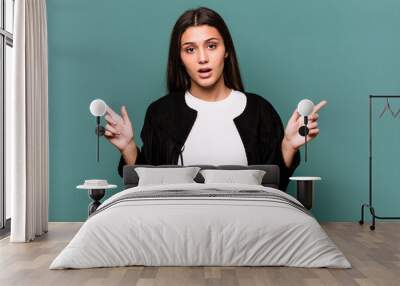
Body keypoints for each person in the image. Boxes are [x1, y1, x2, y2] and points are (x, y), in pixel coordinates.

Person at [104, 7, 327, 191]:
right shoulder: (161, 113)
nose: (203, 58)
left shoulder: (260, 110)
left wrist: (288, 146)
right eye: (190, 49)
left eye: (211, 46)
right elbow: (148, 185)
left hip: (246, 227)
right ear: (180, 58)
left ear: (226, 50)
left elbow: (273, 187)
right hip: (177, 228)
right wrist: (128, 148)